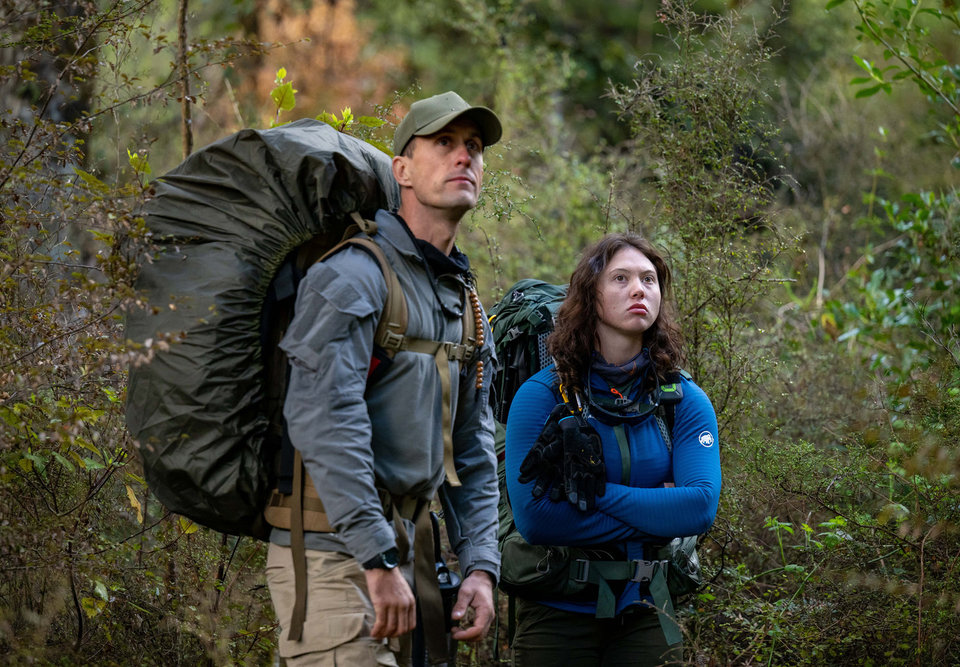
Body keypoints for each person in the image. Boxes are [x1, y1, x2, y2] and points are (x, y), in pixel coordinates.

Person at [266, 91, 503, 666]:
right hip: (332, 552)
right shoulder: (353, 275)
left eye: (473, 146)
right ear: (402, 170)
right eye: (443, 143)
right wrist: (376, 557)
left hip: (410, 556)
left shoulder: (462, 300)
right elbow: (323, 417)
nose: (463, 157)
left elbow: (472, 449)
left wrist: (480, 566)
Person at [504, 233, 721, 666]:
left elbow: (698, 507)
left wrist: (591, 493)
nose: (639, 289)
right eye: (620, 278)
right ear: (590, 296)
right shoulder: (541, 396)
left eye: (649, 279)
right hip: (556, 612)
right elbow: (536, 519)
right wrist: (658, 508)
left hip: (650, 609)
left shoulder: (683, 399)